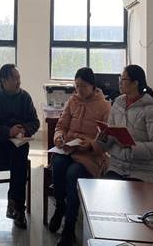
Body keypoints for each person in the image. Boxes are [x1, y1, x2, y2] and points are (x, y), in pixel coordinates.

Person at [49, 68, 111, 246]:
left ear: (92, 86)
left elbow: (105, 139)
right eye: (76, 86)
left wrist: (90, 144)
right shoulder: (72, 101)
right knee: (58, 163)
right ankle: (60, 206)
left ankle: (69, 227)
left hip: (90, 155)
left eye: (83, 86)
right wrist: (59, 138)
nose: (79, 90)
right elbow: (61, 126)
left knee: (73, 174)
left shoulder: (105, 106)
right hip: (69, 149)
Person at [0, 64, 40, 229]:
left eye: (19, 78)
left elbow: (35, 122)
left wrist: (24, 129)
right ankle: (18, 207)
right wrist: (8, 132)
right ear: (3, 80)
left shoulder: (25, 97)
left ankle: (15, 206)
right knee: (20, 158)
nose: (18, 81)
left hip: (18, 144)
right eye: (14, 78)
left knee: (19, 153)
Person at [97, 64, 153, 182]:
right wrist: (103, 138)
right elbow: (111, 134)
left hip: (144, 170)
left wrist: (132, 147)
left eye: (124, 79)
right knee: (103, 190)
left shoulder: (150, 108)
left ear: (135, 83)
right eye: (120, 78)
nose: (120, 82)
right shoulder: (118, 103)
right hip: (117, 167)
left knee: (127, 192)